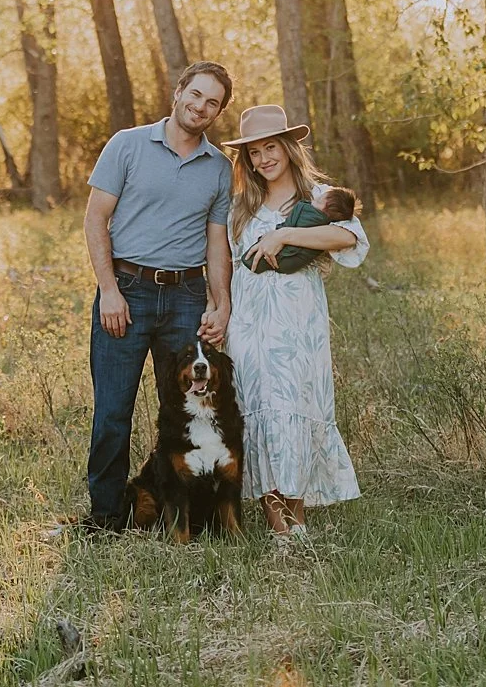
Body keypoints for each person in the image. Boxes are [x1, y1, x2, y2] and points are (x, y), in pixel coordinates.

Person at [69, 61, 235, 535]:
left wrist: (218, 303)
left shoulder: (219, 168)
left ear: (218, 112)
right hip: (127, 292)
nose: (200, 107)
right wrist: (109, 291)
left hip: (186, 295)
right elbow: (95, 220)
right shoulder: (127, 144)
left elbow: (216, 242)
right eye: (196, 94)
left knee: (188, 411)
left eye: (212, 103)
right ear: (178, 90)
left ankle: (185, 515)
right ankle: (104, 519)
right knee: (113, 413)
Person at [222, 104, 369, 541]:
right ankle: (280, 527)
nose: (264, 158)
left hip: (299, 324)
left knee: (295, 412)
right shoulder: (239, 207)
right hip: (249, 324)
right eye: (254, 153)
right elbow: (228, 265)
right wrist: (220, 313)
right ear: (246, 160)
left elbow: (348, 239)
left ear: (288, 148)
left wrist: (284, 233)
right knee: (261, 414)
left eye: (271, 148)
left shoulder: (318, 198)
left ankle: (297, 517)